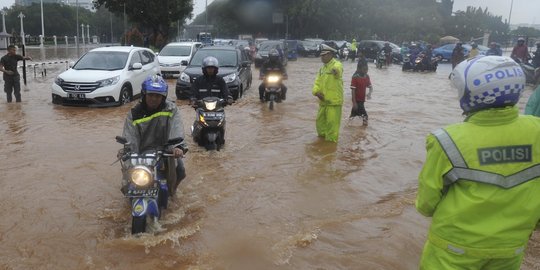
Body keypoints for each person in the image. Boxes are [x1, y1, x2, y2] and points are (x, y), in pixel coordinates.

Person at [416, 55, 540, 270]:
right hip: (510, 249)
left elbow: (427, 203)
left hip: (453, 249)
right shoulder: (536, 130)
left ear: (471, 94)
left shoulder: (446, 139)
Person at [121, 75, 187, 194]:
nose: (154, 99)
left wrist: (178, 147)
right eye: (150, 95)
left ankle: (172, 193)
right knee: (128, 180)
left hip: (167, 151)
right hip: (142, 153)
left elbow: (176, 128)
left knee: (180, 171)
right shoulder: (134, 113)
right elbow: (130, 136)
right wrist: (128, 151)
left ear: (163, 97)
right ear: (144, 94)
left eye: (158, 96)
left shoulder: (171, 109)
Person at [312, 44, 344, 142]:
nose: (322, 57)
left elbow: (338, 70)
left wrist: (335, 71)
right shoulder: (322, 69)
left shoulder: (337, 64)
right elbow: (317, 83)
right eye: (321, 55)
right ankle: (322, 145)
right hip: (323, 102)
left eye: (324, 55)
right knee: (319, 123)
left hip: (333, 102)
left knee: (332, 126)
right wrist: (316, 92)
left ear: (330, 54)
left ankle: (330, 148)